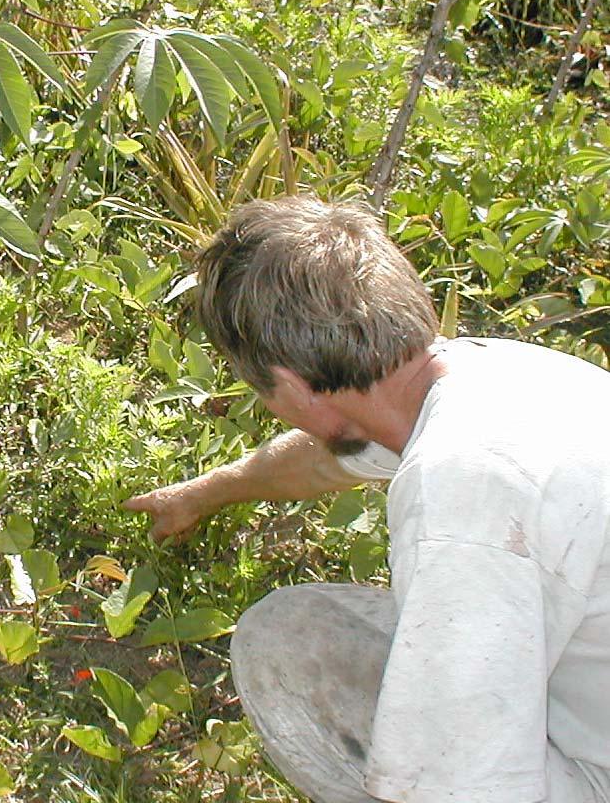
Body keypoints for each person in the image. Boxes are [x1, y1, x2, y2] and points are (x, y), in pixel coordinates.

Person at [123, 196, 610, 803]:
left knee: (288, 655)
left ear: (294, 386)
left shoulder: (464, 501)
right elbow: (324, 458)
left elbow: (459, 787)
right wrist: (205, 492)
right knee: (294, 627)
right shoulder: (493, 378)